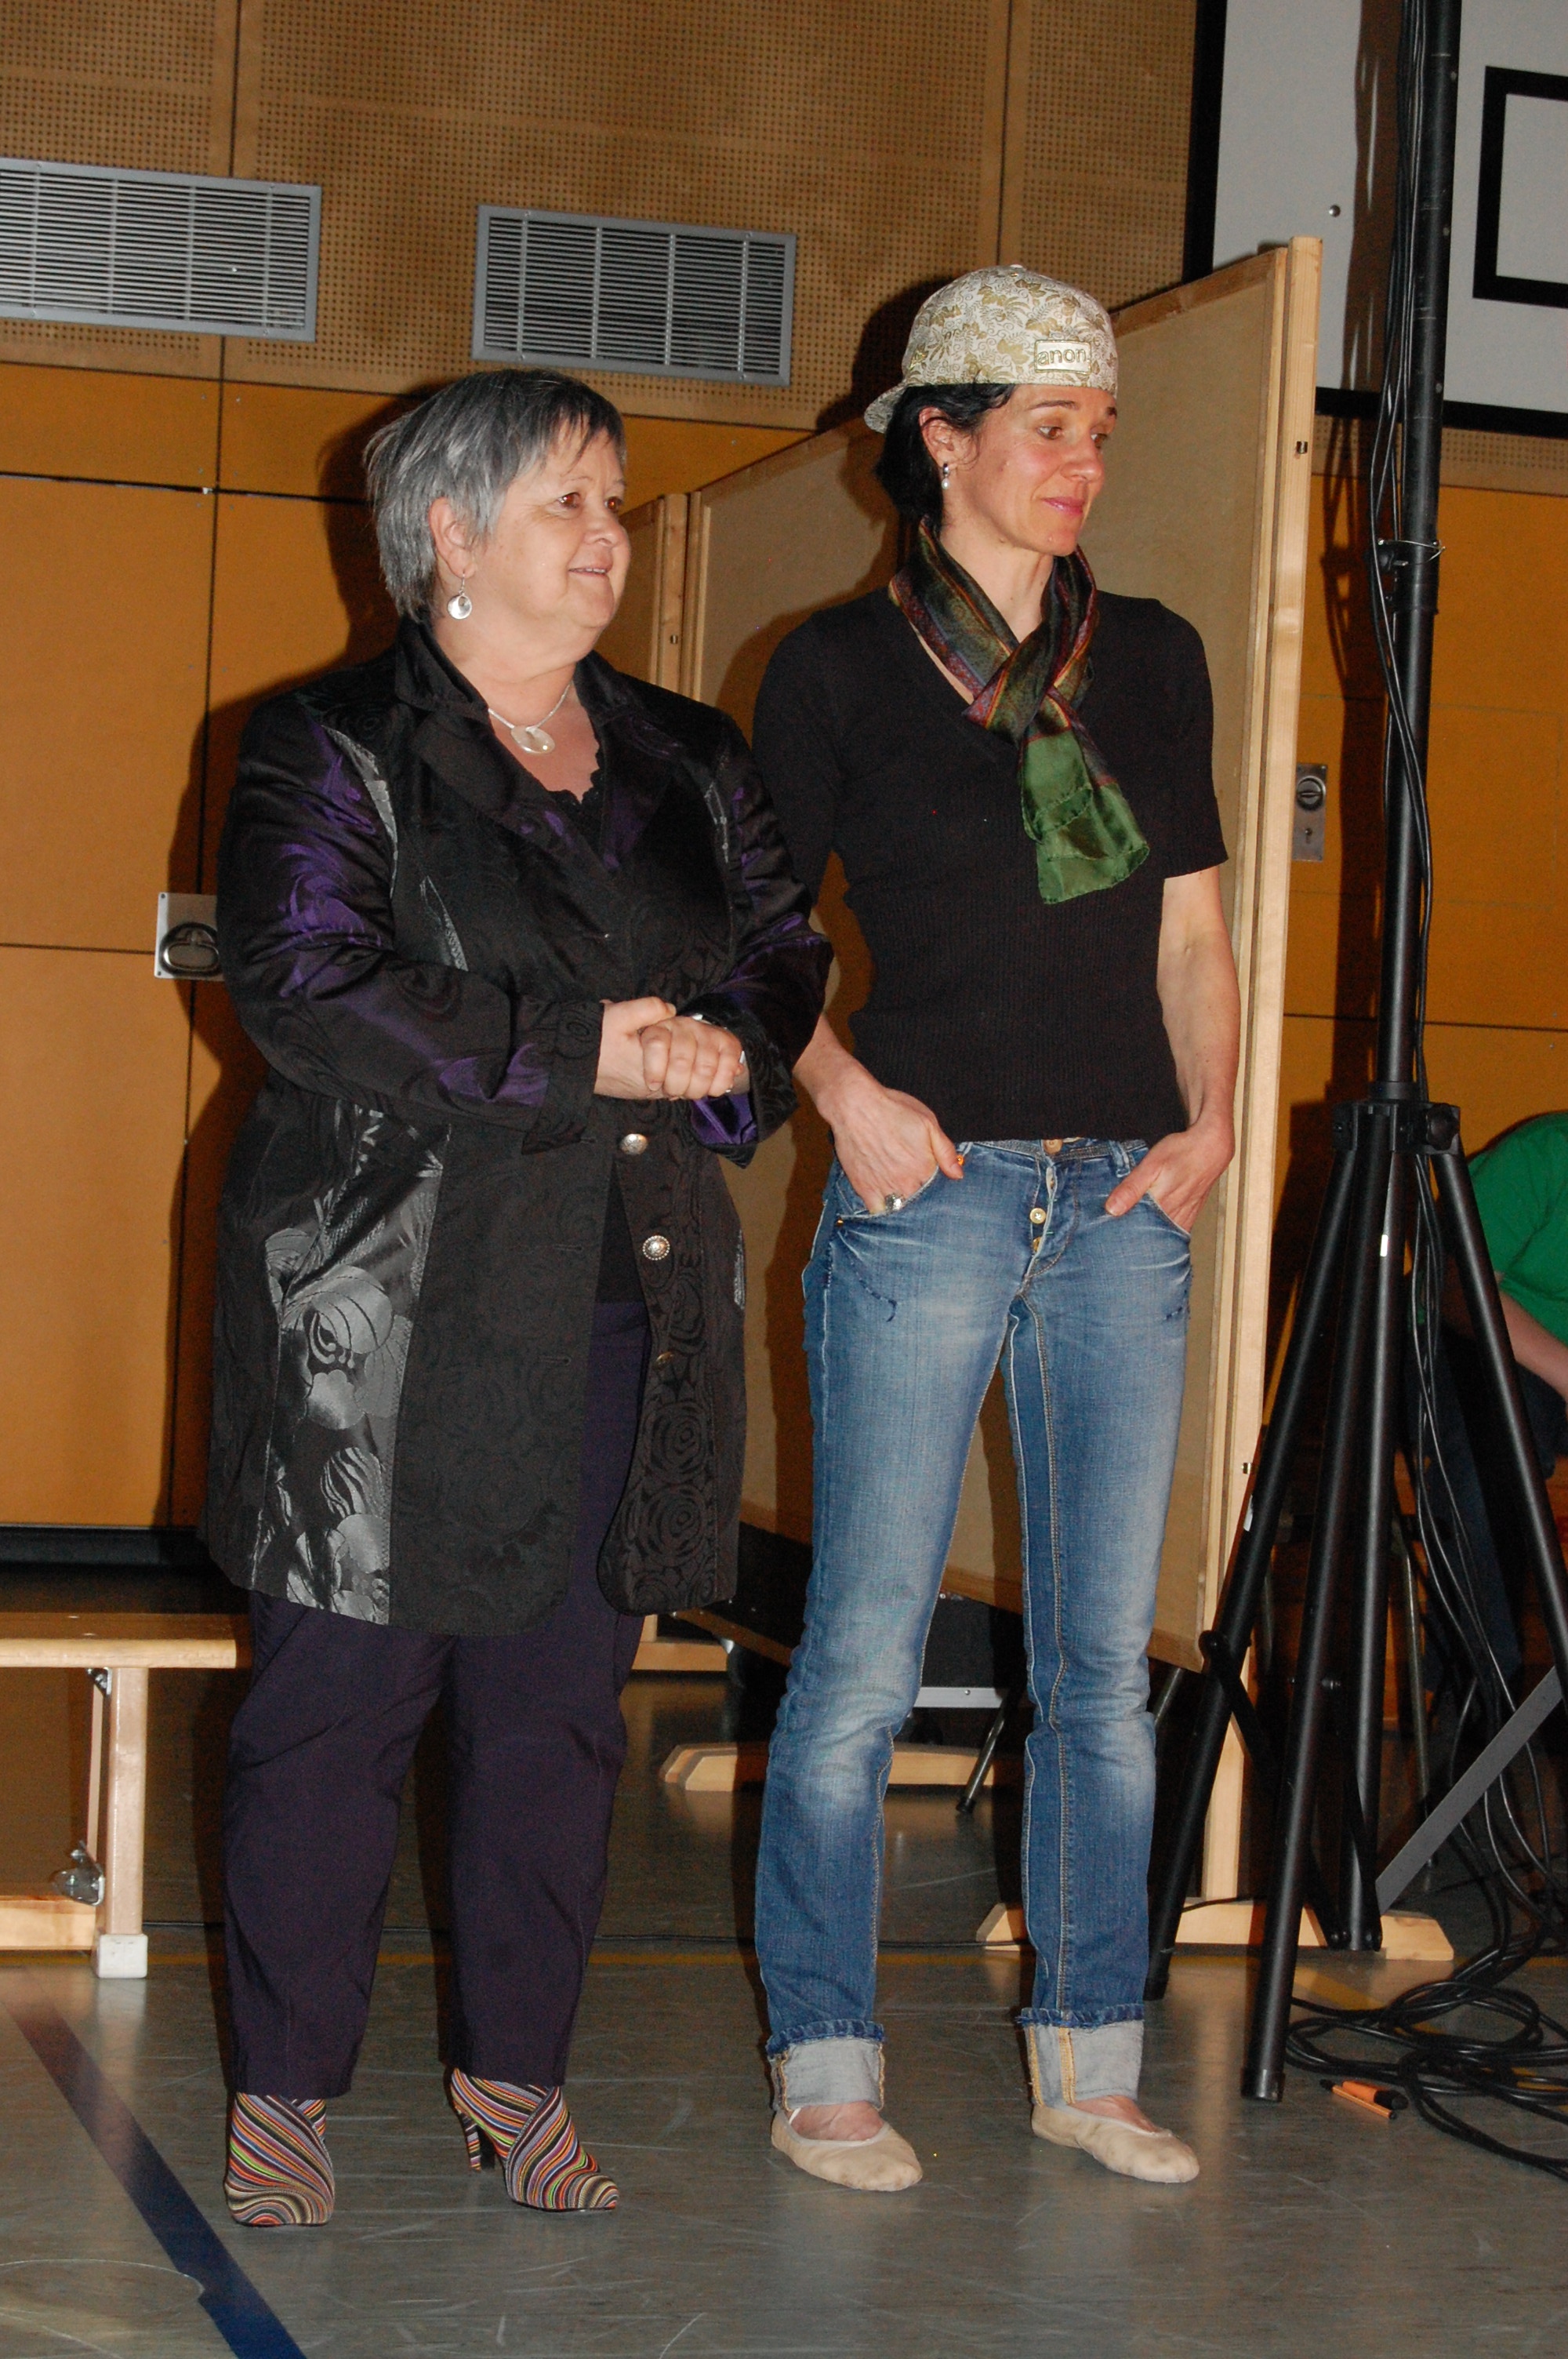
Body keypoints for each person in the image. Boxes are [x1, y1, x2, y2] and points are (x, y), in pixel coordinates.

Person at [205, 367, 829, 2226]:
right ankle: (286, 2087)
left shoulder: (686, 752)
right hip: (382, 1311)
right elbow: (306, 981)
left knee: (556, 1715)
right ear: (449, 530)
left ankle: (515, 2076)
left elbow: (784, 948)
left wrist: (719, 1052)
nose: (607, 538)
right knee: (338, 1708)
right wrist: (588, 1049)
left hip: (622, 1291)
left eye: (614, 503)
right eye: (568, 500)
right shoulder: (328, 743)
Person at [749, 266, 1240, 2190]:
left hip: (1121, 1196)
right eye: (1046, 426)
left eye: (1097, 429)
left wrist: (1209, 1119)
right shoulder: (832, 669)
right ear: (938, 438)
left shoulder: (1157, 656)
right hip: (929, 1192)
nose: (1081, 460)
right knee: (863, 1656)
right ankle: (825, 2061)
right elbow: (751, 935)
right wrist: (846, 1096)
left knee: (1098, 1670)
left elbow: (1190, 929)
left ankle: (1091, 2059)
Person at [1415, 1113, 1568, 1688]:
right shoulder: (1546, 1153)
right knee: (1497, 1448)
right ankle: (1484, 1698)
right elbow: (1460, 1289)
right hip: (1475, 1344)